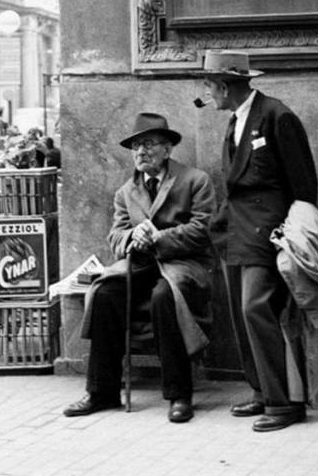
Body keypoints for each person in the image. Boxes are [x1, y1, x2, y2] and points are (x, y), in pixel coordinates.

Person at [64, 112, 216, 423]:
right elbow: (115, 237)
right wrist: (133, 236)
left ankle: (179, 394)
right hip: (141, 265)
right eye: (135, 146)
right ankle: (102, 392)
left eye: (148, 144)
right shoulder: (125, 192)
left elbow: (203, 230)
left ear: (167, 149)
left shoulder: (195, 180)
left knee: (165, 297)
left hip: (183, 266)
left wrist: (159, 237)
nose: (141, 152)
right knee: (105, 293)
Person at [199, 50, 318, 432]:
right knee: (241, 312)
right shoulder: (237, 120)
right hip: (236, 232)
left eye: (209, 85)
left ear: (224, 85)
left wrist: (293, 235)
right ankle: (263, 392)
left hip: (269, 234)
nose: (207, 93)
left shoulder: (276, 115)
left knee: (256, 308)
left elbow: (304, 184)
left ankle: (286, 404)